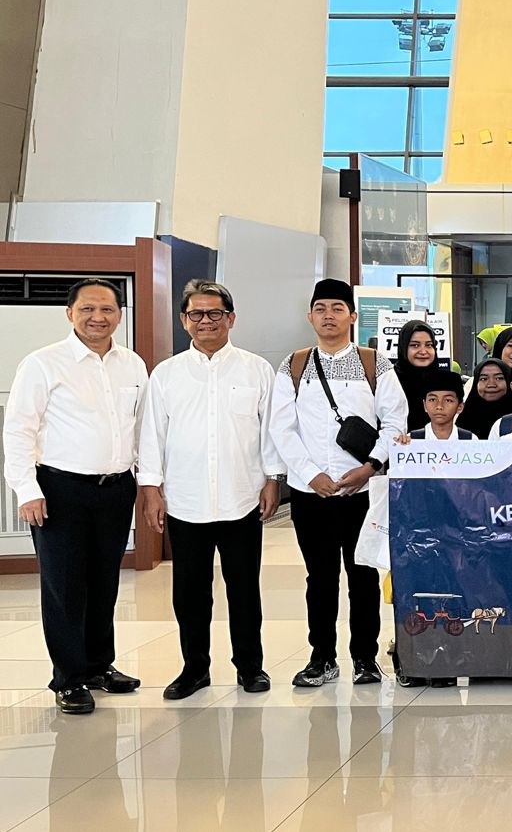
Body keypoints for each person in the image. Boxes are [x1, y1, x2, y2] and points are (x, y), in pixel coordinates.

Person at [4, 279, 147, 714]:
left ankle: (99, 665)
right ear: (70, 313)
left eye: (107, 309)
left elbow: (139, 428)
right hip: (59, 490)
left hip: (115, 489)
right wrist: (27, 489)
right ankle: (69, 678)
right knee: (65, 585)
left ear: (119, 314)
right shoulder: (43, 363)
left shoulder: (133, 364)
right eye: (88, 309)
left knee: (105, 581)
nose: (97, 317)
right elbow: (18, 429)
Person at [137, 281, 283, 702]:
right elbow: (152, 435)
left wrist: (273, 478)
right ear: (184, 321)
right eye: (196, 314)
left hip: (242, 498)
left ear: (231, 319)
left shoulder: (256, 369)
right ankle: (194, 668)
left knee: (244, 589)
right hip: (186, 501)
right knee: (189, 592)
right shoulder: (166, 374)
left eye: (214, 313)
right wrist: (151, 488)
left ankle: (250, 667)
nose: (205, 321)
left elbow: (269, 430)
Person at [268, 278, 409, 688]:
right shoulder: (293, 365)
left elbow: (395, 421)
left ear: (351, 315)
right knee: (320, 578)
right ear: (310, 315)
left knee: (363, 576)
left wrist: (370, 466)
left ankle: (365, 658)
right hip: (313, 494)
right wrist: (311, 475)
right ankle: (322, 658)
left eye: (337, 308)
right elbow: (282, 428)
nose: (328, 316)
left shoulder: (373, 363)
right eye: (320, 308)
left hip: (362, 491)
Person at [393, 319, 441, 432]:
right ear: (403, 348)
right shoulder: (390, 380)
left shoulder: (442, 381)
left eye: (429, 345)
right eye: (415, 345)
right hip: (395, 445)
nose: (423, 351)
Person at [457, 358, 512, 439]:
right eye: (484, 379)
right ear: (476, 383)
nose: (491, 384)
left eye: (499, 378)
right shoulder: (462, 418)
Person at [411, 370, 474, 440]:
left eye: (448, 400)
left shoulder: (470, 440)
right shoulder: (411, 440)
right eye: (432, 400)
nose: (439, 406)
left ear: (460, 407)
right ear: (425, 405)